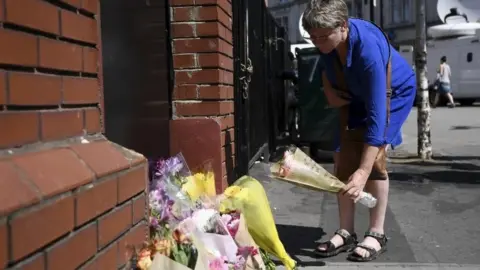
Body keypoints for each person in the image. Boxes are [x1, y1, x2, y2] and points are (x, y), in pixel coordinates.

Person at [301, 0, 416, 262]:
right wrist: (328, 88)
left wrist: (363, 171)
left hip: (392, 93)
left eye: (322, 37)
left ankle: (376, 233)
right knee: (341, 154)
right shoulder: (326, 39)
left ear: (342, 26)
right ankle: (346, 231)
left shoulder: (368, 51)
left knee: (373, 158)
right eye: (312, 37)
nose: (317, 43)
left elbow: (377, 117)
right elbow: (326, 66)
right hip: (355, 93)